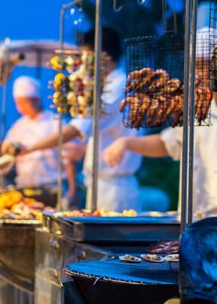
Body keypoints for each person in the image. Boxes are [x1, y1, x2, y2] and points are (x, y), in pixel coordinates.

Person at [104, 27, 217, 220]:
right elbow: (169, 143)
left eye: (205, 66)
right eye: (196, 66)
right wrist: (126, 144)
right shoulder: (196, 109)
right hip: (195, 220)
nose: (199, 74)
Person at [10, 27, 142, 211]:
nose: (83, 63)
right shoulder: (108, 85)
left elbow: (79, 127)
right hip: (101, 184)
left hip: (114, 189)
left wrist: (30, 148)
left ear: (101, 56)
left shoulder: (118, 87)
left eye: (86, 56)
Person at [0, 76, 77, 201]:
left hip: (52, 189)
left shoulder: (55, 122)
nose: (20, 107)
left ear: (37, 99)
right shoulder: (19, 125)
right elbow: (7, 148)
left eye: (24, 103)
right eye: (18, 103)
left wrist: (72, 191)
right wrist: (3, 147)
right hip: (24, 189)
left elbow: (69, 159)